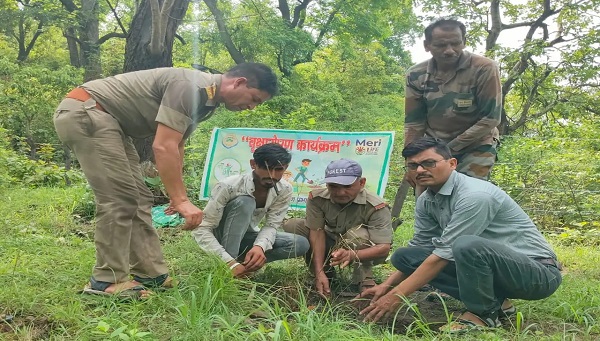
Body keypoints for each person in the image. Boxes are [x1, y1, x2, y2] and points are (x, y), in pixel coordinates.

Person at [53, 63, 278, 298]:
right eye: (254, 99)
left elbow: (177, 145)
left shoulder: (207, 102)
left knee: (139, 197)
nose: (251, 107)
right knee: (120, 199)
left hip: (111, 123)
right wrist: (180, 200)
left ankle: (150, 273)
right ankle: (105, 280)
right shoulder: (191, 87)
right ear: (239, 82)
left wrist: (176, 194)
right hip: (88, 111)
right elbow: (162, 146)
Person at [359, 137, 562, 333]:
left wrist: (396, 296)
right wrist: (386, 287)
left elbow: (443, 255)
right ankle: (498, 303)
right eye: (413, 166)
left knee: (465, 246)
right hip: (496, 268)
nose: (420, 170)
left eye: (428, 163)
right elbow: (422, 249)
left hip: (537, 274)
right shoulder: (426, 199)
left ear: (452, 163)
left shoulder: (475, 196)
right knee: (405, 257)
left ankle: (483, 316)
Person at [392, 18, 503, 226]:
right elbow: (414, 123)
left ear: (464, 41)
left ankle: (466, 247)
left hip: (476, 143)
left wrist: (448, 150)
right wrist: (412, 163)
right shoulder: (416, 74)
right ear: (427, 46)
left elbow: (490, 118)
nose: (449, 50)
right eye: (441, 45)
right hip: (434, 145)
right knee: (425, 194)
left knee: (470, 195)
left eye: (456, 43)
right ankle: (427, 247)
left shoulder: (484, 68)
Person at [192, 143, 310, 278]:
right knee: (245, 202)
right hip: (220, 236)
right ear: (253, 164)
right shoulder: (229, 185)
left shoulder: (284, 189)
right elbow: (202, 228)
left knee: (300, 243)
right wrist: (228, 261)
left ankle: (246, 265)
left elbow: (271, 225)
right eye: (267, 168)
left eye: (278, 169)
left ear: (286, 168)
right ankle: (229, 267)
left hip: (247, 236)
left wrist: (259, 247)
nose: (272, 175)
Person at [284, 159, 393, 296]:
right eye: (334, 186)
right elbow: (316, 233)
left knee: (358, 235)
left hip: (363, 249)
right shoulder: (317, 198)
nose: (340, 192)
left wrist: (351, 255)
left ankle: (365, 279)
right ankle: (324, 275)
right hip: (330, 243)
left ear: (361, 183)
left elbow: (383, 248)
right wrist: (319, 271)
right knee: (294, 226)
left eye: (347, 187)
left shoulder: (376, 206)